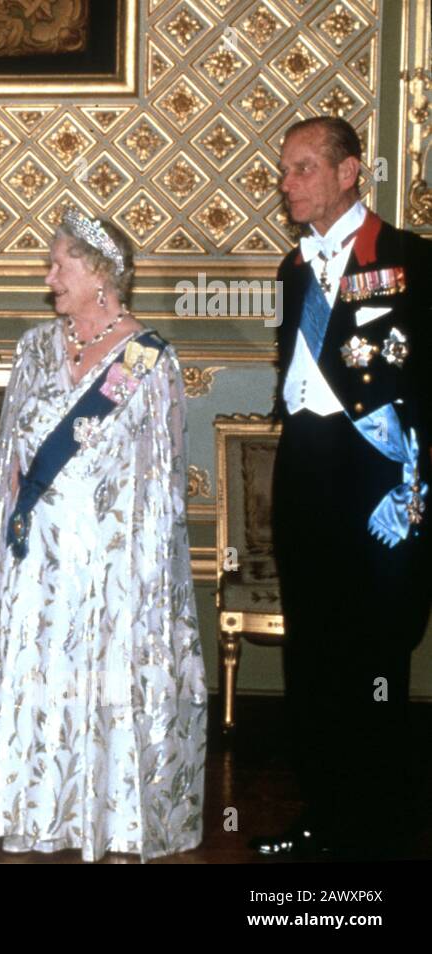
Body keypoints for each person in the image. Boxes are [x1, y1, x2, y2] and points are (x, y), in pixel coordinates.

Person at [0, 209, 206, 862]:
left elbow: (162, 480)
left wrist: (138, 572)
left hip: (108, 568)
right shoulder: (36, 348)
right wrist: (8, 540)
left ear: (101, 276)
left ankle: (107, 816)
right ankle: (34, 806)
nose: (48, 279)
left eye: (58, 266)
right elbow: (9, 461)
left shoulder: (146, 360)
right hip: (39, 557)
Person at [253, 117, 432, 859]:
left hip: (377, 475)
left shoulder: (408, 258)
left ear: (349, 171)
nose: (287, 184)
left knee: (377, 655)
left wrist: (415, 482)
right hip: (306, 467)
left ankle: (383, 821)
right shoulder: (294, 268)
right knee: (315, 653)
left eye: (302, 169)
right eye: (285, 172)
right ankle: (322, 813)